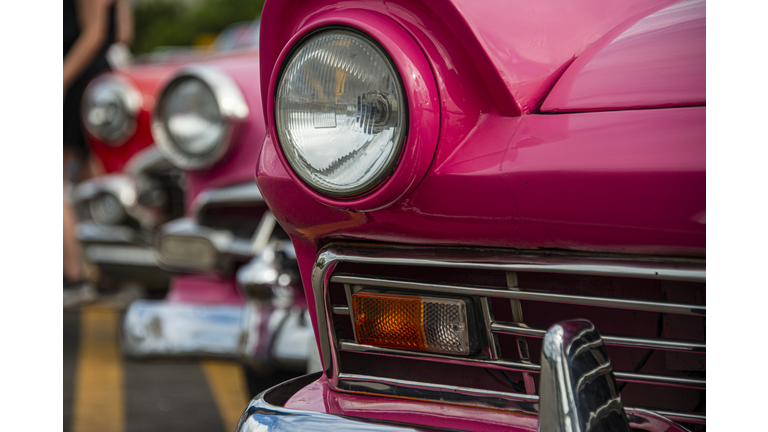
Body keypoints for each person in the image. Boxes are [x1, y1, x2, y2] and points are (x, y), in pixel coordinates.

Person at [63, 0, 133, 307]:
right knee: (99, 183)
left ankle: (72, 275)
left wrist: (59, 80)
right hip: (99, 80)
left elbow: (94, 35)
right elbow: (123, 34)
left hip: (78, 80)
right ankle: (108, 275)